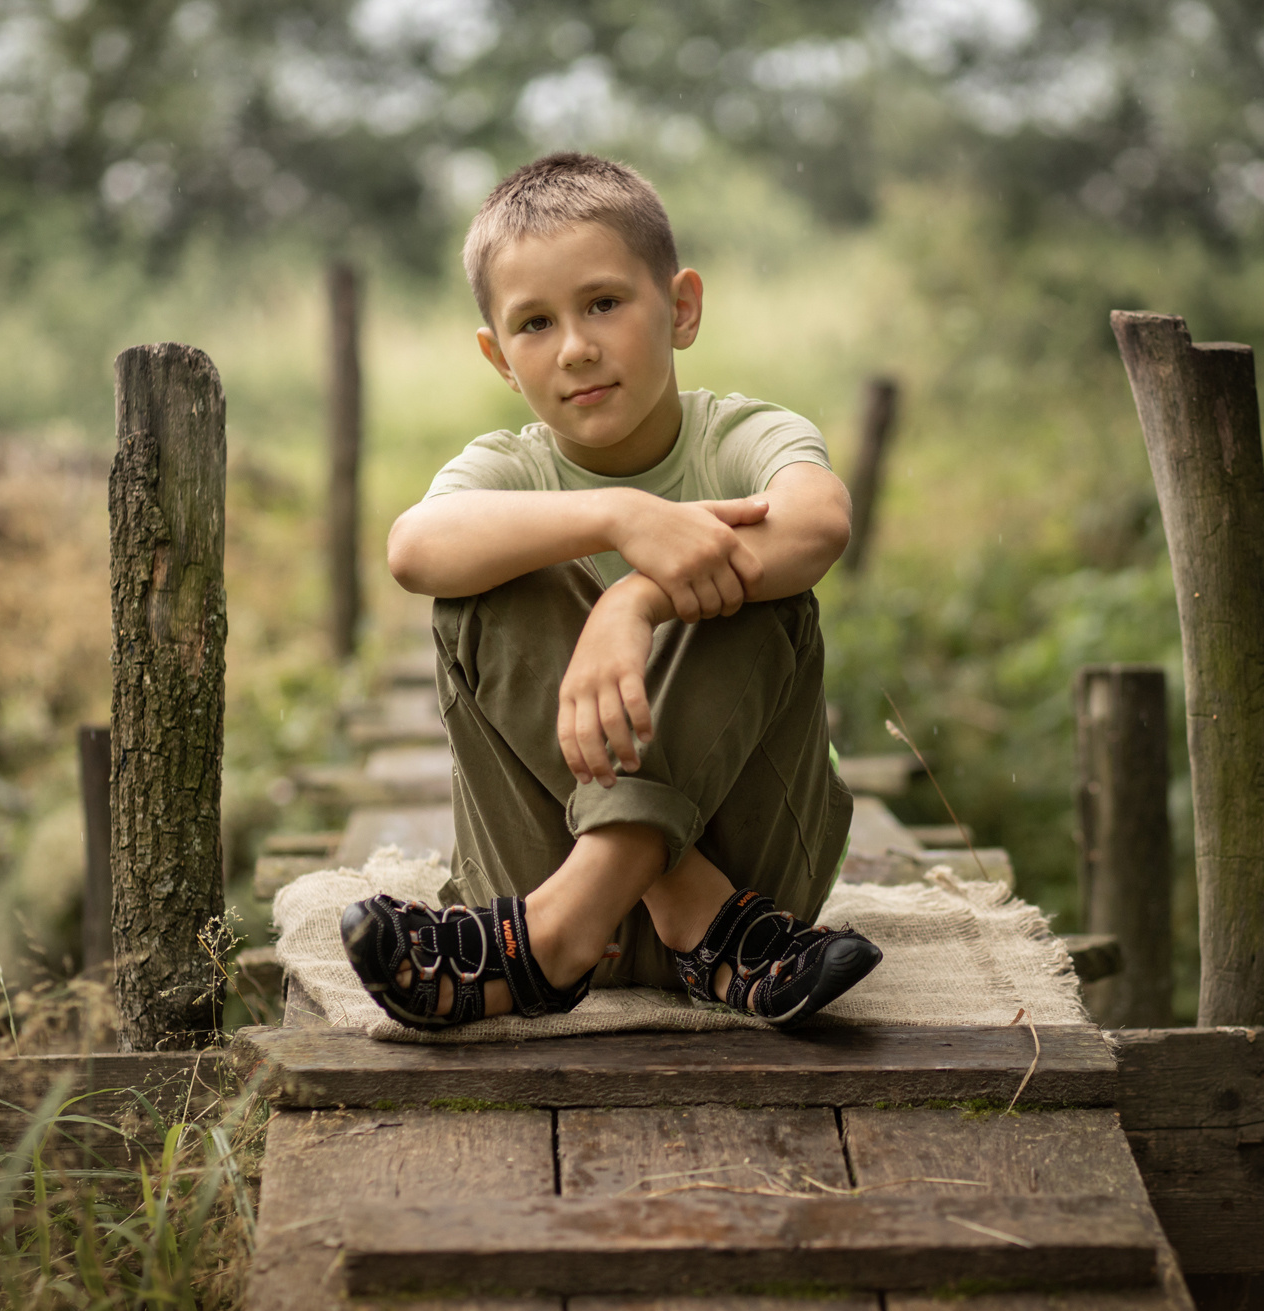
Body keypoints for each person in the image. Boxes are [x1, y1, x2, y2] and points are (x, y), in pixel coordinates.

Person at [340, 151, 878, 1032]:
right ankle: (667, 903)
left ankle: (560, 933)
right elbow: (414, 549)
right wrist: (621, 519)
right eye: (536, 324)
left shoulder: (744, 435)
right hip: (699, 929)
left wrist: (639, 600)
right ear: (500, 358)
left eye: (603, 303)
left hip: (748, 890)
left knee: (759, 575)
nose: (577, 346)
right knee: (485, 579)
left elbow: (817, 524)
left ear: (682, 306)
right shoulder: (508, 467)